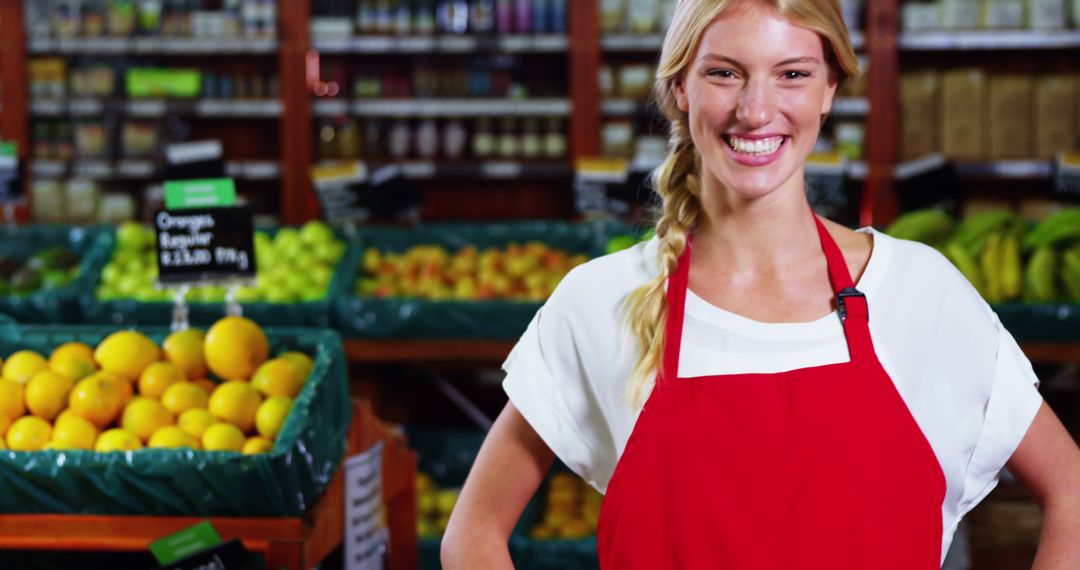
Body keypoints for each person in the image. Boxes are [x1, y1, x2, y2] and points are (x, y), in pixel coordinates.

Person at [442, 0, 1080, 567]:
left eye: (793, 74)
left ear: (830, 88)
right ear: (681, 87)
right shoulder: (601, 303)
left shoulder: (919, 292)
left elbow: (1070, 493)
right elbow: (471, 536)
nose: (755, 110)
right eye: (724, 72)